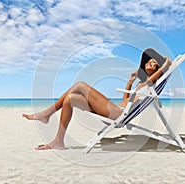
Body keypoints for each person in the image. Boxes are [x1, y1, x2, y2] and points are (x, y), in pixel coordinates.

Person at [22, 55, 172, 150]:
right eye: (149, 62)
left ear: (158, 69)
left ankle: (46, 114)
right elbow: (126, 101)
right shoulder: (144, 84)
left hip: (115, 114)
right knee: (70, 99)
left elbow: (153, 79)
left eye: (154, 63)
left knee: (80, 85)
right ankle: (58, 141)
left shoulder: (150, 83)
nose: (149, 63)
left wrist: (165, 66)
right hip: (117, 112)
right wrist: (130, 81)